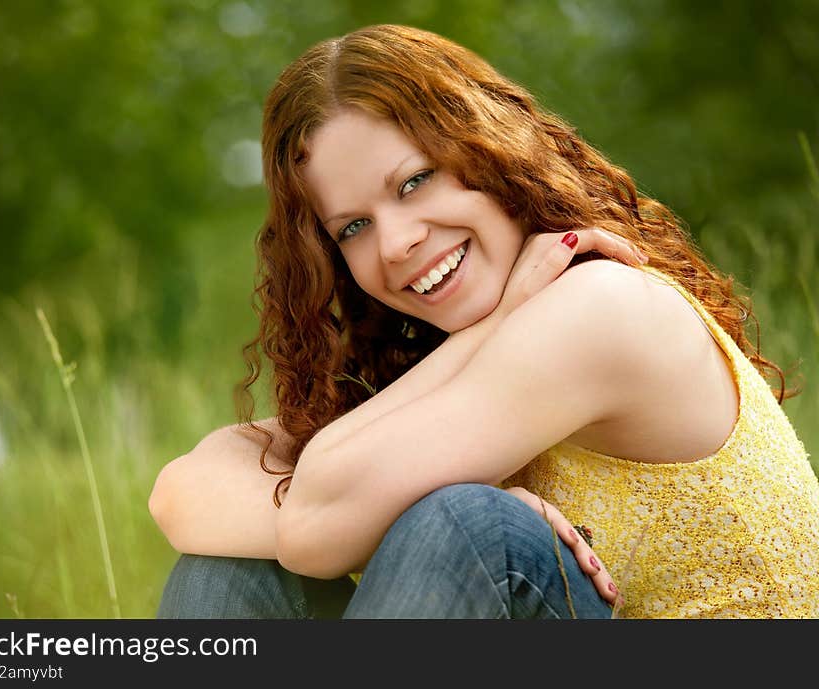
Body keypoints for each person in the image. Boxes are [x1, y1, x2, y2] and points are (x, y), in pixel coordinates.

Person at [148, 24, 819, 619]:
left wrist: (381, 515)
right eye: (353, 226)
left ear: (490, 152)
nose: (395, 242)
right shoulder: (453, 358)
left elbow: (316, 526)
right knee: (224, 567)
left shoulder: (604, 307)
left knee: (468, 526)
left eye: (414, 182)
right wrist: (492, 325)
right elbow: (181, 493)